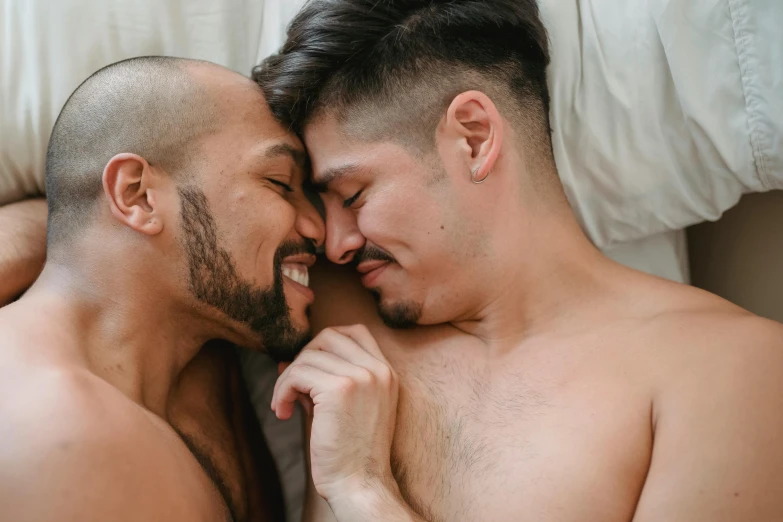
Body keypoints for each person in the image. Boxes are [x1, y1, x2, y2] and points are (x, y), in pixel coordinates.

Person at [258, 1, 783, 521]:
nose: (335, 245)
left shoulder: (727, 370)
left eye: (352, 195)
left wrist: (360, 489)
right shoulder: (336, 313)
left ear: (473, 136)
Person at [0, 56, 329, 522]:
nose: (320, 228)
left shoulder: (198, 359)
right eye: (279, 183)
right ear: (138, 196)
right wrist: (357, 485)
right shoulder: (62, 432)